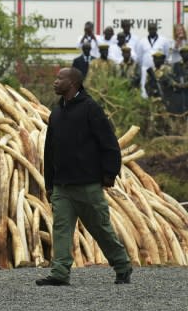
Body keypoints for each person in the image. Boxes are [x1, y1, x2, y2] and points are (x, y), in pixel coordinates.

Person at [36, 67, 131, 286]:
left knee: (100, 228)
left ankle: (122, 265)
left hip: (87, 185)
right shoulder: (57, 113)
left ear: (73, 84)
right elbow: (49, 151)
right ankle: (59, 272)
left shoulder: (91, 109)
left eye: (60, 78)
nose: (55, 81)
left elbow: (109, 144)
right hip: (62, 186)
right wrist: (49, 183)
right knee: (61, 228)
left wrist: (109, 173)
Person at [136, 21, 172, 98]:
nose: (152, 30)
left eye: (154, 29)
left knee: (160, 89)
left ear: (156, 29)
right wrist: (145, 65)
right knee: (144, 89)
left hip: (160, 70)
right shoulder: (142, 41)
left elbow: (167, 54)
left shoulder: (164, 40)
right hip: (146, 70)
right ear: (148, 30)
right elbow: (139, 56)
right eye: (150, 29)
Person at [172, 46, 188, 114]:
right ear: (180, 54)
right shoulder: (176, 65)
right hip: (180, 89)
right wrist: (176, 83)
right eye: (183, 53)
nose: (185, 54)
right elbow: (173, 76)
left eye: (186, 52)